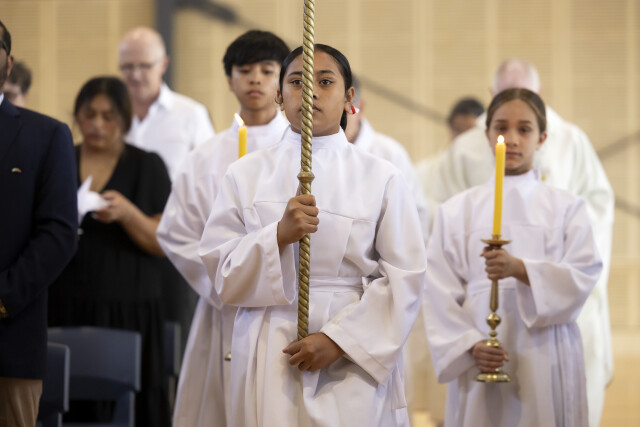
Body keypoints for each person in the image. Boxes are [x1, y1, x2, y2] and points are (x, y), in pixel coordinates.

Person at [198, 44, 426, 426]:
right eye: (297, 82)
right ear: (278, 95)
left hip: (353, 349)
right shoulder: (245, 174)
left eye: (325, 82)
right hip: (269, 342)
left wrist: (340, 341)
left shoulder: (382, 177)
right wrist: (277, 236)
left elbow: (405, 276)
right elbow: (220, 270)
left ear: (349, 97)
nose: (311, 93)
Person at [417, 59, 614, 427]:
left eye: (524, 129)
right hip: (480, 350)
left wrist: (521, 270)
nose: (512, 139)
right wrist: (468, 344)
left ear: (542, 138)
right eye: (501, 128)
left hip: (547, 348)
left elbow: (584, 273)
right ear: (486, 135)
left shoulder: (567, 208)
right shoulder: (457, 211)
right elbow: (437, 289)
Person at [156, 30, 289, 427]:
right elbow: (176, 232)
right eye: (244, 70)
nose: (255, 79)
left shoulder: (302, 152)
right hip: (222, 308)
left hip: (285, 304)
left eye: (267, 70)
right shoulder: (204, 157)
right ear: (229, 80)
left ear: (284, 80)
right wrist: (227, 281)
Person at [48, 77, 171, 427]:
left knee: (133, 407)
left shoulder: (147, 165)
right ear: (76, 116)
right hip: (64, 303)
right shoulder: (57, 159)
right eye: (89, 115)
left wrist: (128, 214)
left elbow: (164, 243)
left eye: (108, 116)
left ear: (125, 119)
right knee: (65, 404)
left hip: (129, 307)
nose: (97, 125)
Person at [0, 19, 77, 426]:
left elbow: (59, 235)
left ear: (8, 62)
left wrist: (2, 298)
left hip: (9, 340)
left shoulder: (46, 135)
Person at [119, 26, 214, 351]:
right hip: (121, 242)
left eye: (143, 66)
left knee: (173, 342)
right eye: (127, 67)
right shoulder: (112, 117)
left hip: (175, 245)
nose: (135, 75)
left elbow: (208, 182)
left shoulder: (190, 115)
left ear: (163, 64)